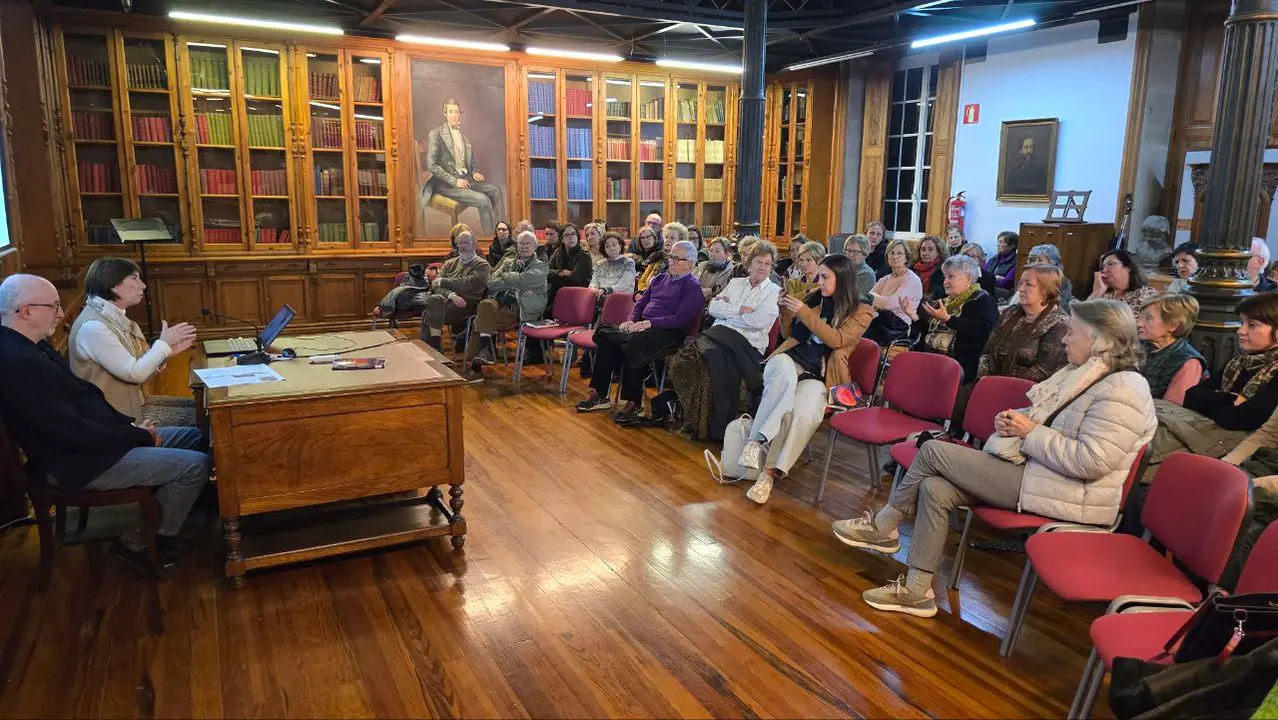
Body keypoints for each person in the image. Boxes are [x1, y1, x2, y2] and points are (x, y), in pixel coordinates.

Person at [832, 299, 1156, 617]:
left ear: (1099, 339)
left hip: (1066, 490)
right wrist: (1017, 420)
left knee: (931, 451)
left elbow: (1091, 461)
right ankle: (918, 591)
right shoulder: (1087, 374)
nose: (1066, 338)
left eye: (1073, 332)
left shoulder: (1123, 389)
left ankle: (884, 525)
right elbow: (1052, 420)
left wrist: (1029, 431)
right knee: (934, 488)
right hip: (1039, 472)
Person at [0, 274, 211, 572]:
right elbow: (70, 432)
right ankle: (138, 542)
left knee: (196, 436)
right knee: (197, 464)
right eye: (54, 306)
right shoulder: (18, 361)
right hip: (78, 463)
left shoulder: (33, 346)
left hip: (96, 444)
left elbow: (84, 404)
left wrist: (133, 430)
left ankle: (178, 517)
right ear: (26, 311)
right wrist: (135, 437)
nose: (61, 314)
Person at [736, 254, 876, 505]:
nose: (819, 281)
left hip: (820, 373)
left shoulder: (862, 311)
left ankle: (768, 472)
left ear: (842, 279)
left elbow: (837, 340)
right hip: (788, 359)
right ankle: (757, 440)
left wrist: (803, 312)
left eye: (825, 277)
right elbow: (790, 334)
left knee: (805, 411)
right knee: (784, 381)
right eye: (818, 276)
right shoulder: (814, 299)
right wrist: (786, 311)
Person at [663, 242, 780, 440]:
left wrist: (729, 312)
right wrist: (740, 310)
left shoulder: (774, 291)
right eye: (758, 261)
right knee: (690, 360)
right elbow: (714, 308)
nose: (762, 267)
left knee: (709, 358)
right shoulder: (735, 283)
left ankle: (713, 424)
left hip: (747, 346)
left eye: (768, 264)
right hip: (718, 337)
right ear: (748, 263)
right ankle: (699, 417)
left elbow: (758, 322)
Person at [576, 240, 704, 419]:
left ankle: (634, 402)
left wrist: (649, 324)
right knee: (605, 332)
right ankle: (600, 394)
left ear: (690, 264)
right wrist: (630, 321)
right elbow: (640, 304)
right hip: (644, 327)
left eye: (677, 259)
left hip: (670, 332)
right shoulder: (660, 278)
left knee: (634, 343)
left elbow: (680, 319)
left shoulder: (692, 287)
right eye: (670, 257)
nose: (671, 262)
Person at [68, 258, 199, 425]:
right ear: (113, 283)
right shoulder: (93, 328)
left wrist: (164, 354)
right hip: (117, 421)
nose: (143, 286)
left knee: (200, 410)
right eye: (134, 278)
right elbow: (135, 373)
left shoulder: (111, 316)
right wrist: (162, 346)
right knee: (200, 421)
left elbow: (138, 369)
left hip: (134, 404)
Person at [465, 230, 548, 373]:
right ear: (517, 245)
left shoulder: (541, 266)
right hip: (499, 303)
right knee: (485, 305)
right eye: (521, 243)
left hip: (520, 308)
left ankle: (477, 360)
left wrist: (505, 276)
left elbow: (525, 280)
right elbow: (491, 283)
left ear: (535, 246)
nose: (524, 246)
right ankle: (484, 352)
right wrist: (517, 282)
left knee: (480, 321)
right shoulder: (508, 262)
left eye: (528, 243)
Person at [419, 98, 506, 232]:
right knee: (483, 200)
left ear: (460, 113)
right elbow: (432, 165)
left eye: (456, 111)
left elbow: (471, 161)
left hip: (466, 178)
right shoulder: (436, 134)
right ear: (445, 113)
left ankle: (502, 233)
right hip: (445, 183)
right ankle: (489, 239)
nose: (454, 115)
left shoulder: (462, 135)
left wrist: (475, 172)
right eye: (451, 111)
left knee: (496, 191)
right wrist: (455, 181)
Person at [977, 264, 1071, 382]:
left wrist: (999, 385)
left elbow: (1043, 371)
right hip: (991, 384)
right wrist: (984, 379)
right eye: (1020, 283)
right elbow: (987, 352)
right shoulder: (1011, 312)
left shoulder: (1059, 324)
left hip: (1025, 392)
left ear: (1047, 290)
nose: (1020, 289)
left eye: (1029, 284)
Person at [914, 255, 998, 382]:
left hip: (960, 365)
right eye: (945, 276)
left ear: (968, 279)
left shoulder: (981, 299)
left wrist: (949, 319)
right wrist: (914, 316)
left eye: (951, 276)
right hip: (933, 359)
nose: (945, 281)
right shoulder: (946, 301)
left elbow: (983, 330)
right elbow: (929, 331)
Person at [420, 225, 490, 353]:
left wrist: (443, 281)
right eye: (459, 243)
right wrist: (452, 295)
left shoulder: (482, 265)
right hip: (450, 301)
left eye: (465, 243)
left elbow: (468, 284)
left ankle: (432, 350)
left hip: (468, 304)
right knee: (434, 299)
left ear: (474, 244)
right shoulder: (449, 263)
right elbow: (436, 286)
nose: (462, 246)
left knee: (429, 311)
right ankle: (435, 348)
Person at [1136, 293, 1206, 404]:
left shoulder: (1189, 362)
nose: (1139, 323)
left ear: (1173, 325)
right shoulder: (1138, 345)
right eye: (1140, 317)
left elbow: (1170, 409)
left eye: (1148, 318)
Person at [864, 239, 922, 344]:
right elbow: (867, 301)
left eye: (899, 253)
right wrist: (875, 300)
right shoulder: (885, 279)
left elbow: (890, 304)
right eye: (892, 253)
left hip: (898, 327)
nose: (895, 256)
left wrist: (874, 297)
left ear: (906, 257)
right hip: (881, 321)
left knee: (860, 330)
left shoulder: (911, 279)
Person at [1003, 243, 1074, 310]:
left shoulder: (1059, 283)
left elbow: (1053, 311)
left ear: (1052, 264)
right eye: (1032, 260)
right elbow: (1012, 302)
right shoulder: (1027, 279)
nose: (1035, 264)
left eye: (1040, 260)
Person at [1089, 249, 1157, 314]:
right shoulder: (1106, 294)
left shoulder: (1145, 294)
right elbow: (1082, 314)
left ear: (1129, 267)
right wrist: (1099, 291)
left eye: (1110, 264)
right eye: (1103, 267)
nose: (1104, 270)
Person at [547, 222, 593, 310]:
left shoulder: (584, 255)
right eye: (567, 235)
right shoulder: (557, 252)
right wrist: (561, 272)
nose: (571, 237)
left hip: (577, 296)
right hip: (556, 294)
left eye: (573, 234)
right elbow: (545, 272)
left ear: (577, 237)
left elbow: (575, 280)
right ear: (562, 239)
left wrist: (554, 278)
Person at [637, 222, 688, 292]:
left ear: (680, 241)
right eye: (666, 237)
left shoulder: (682, 262)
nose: (667, 240)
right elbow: (642, 281)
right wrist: (645, 292)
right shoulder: (658, 257)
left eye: (672, 238)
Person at [589, 231, 637, 298]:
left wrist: (605, 290)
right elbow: (594, 281)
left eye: (614, 245)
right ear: (604, 249)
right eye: (607, 246)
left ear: (620, 246)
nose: (611, 248)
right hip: (601, 298)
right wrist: (593, 288)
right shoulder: (599, 264)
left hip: (621, 299)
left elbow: (624, 285)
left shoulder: (628, 263)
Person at [692, 237, 736, 301]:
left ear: (726, 254)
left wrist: (709, 292)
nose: (713, 254)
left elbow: (724, 291)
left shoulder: (730, 271)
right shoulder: (702, 265)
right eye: (711, 250)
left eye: (717, 251)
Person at [843, 234, 878, 303]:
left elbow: (853, 299)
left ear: (864, 254)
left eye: (855, 252)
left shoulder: (866, 274)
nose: (850, 255)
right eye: (848, 251)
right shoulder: (843, 268)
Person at [912, 234, 948, 300]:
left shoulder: (944, 272)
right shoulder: (911, 269)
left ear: (938, 252)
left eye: (930, 250)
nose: (925, 253)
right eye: (923, 249)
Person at [986, 231, 1019, 299]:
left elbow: (1005, 283)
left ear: (1012, 246)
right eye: (998, 242)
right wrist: (995, 278)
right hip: (989, 288)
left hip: (1004, 295)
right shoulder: (994, 259)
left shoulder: (1016, 261)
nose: (998, 244)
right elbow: (982, 275)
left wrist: (989, 279)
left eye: (1002, 242)